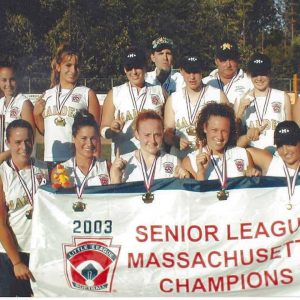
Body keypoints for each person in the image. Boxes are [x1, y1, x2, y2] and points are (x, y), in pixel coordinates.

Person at [0, 119, 48, 296]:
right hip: (11, 254)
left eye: (28, 141)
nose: (24, 147)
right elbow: (1, 223)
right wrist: (16, 262)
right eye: (18, 142)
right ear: (8, 143)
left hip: (41, 252)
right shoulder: (3, 174)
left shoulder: (45, 170)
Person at [33, 43, 100, 167]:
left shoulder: (87, 93)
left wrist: (95, 163)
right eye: (68, 65)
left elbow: (95, 133)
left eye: (77, 66)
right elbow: (44, 131)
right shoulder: (47, 94)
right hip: (51, 158)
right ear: (58, 67)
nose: (73, 70)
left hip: (77, 160)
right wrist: (36, 115)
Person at [100, 47, 166, 161]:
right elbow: (103, 128)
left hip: (155, 158)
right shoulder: (115, 93)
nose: (134, 72)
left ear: (145, 67)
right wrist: (111, 130)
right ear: (125, 69)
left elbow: (169, 126)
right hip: (125, 159)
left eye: (138, 67)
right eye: (129, 68)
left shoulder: (159, 91)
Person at [164, 54, 230, 159]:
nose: (192, 77)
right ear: (181, 71)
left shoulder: (218, 95)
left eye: (195, 72)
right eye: (188, 72)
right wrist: (175, 140)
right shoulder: (173, 99)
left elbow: (229, 128)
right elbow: (167, 134)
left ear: (202, 72)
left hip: (210, 159)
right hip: (180, 158)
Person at [182, 102, 259, 181]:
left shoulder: (243, 154)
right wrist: (201, 172)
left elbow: (252, 189)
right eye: (214, 130)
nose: (219, 136)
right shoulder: (190, 161)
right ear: (205, 127)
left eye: (224, 131)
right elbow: (195, 192)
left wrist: (253, 174)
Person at [110, 110, 189, 183]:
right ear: (137, 134)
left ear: (162, 134)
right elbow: (115, 197)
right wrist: (115, 178)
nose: (153, 140)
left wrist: (183, 180)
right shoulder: (124, 162)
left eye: (157, 135)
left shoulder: (173, 161)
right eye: (147, 135)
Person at [236, 53, 292, 154]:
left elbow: (291, 132)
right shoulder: (243, 100)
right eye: (255, 74)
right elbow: (235, 138)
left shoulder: (282, 96)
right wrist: (239, 112)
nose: (259, 78)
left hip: (278, 154)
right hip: (253, 155)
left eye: (263, 73)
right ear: (249, 75)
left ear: (269, 73)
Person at [57, 110, 112, 189]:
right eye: (84, 138)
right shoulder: (61, 170)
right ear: (73, 138)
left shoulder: (107, 167)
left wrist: (117, 175)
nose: (89, 144)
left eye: (93, 138)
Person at [0, 62, 35, 163]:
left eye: (12, 79)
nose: (8, 84)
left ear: (18, 80)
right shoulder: (0, 103)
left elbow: (29, 139)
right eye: (4, 80)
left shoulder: (24, 104)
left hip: (18, 161)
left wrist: (4, 156)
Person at [202, 39, 253, 106]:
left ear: (237, 59)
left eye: (231, 59)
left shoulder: (250, 82)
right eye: (223, 60)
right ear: (216, 61)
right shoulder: (205, 82)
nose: (228, 64)